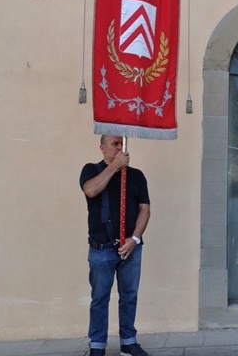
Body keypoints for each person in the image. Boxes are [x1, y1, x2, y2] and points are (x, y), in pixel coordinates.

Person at [79, 135, 150, 356]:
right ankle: (97, 346)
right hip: (101, 248)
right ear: (102, 148)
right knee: (100, 298)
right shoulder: (91, 170)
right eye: (115, 144)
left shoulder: (136, 176)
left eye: (122, 144)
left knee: (129, 296)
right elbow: (91, 190)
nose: (121, 147)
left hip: (131, 248)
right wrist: (114, 167)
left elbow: (145, 209)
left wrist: (134, 239)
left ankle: (128, 342)